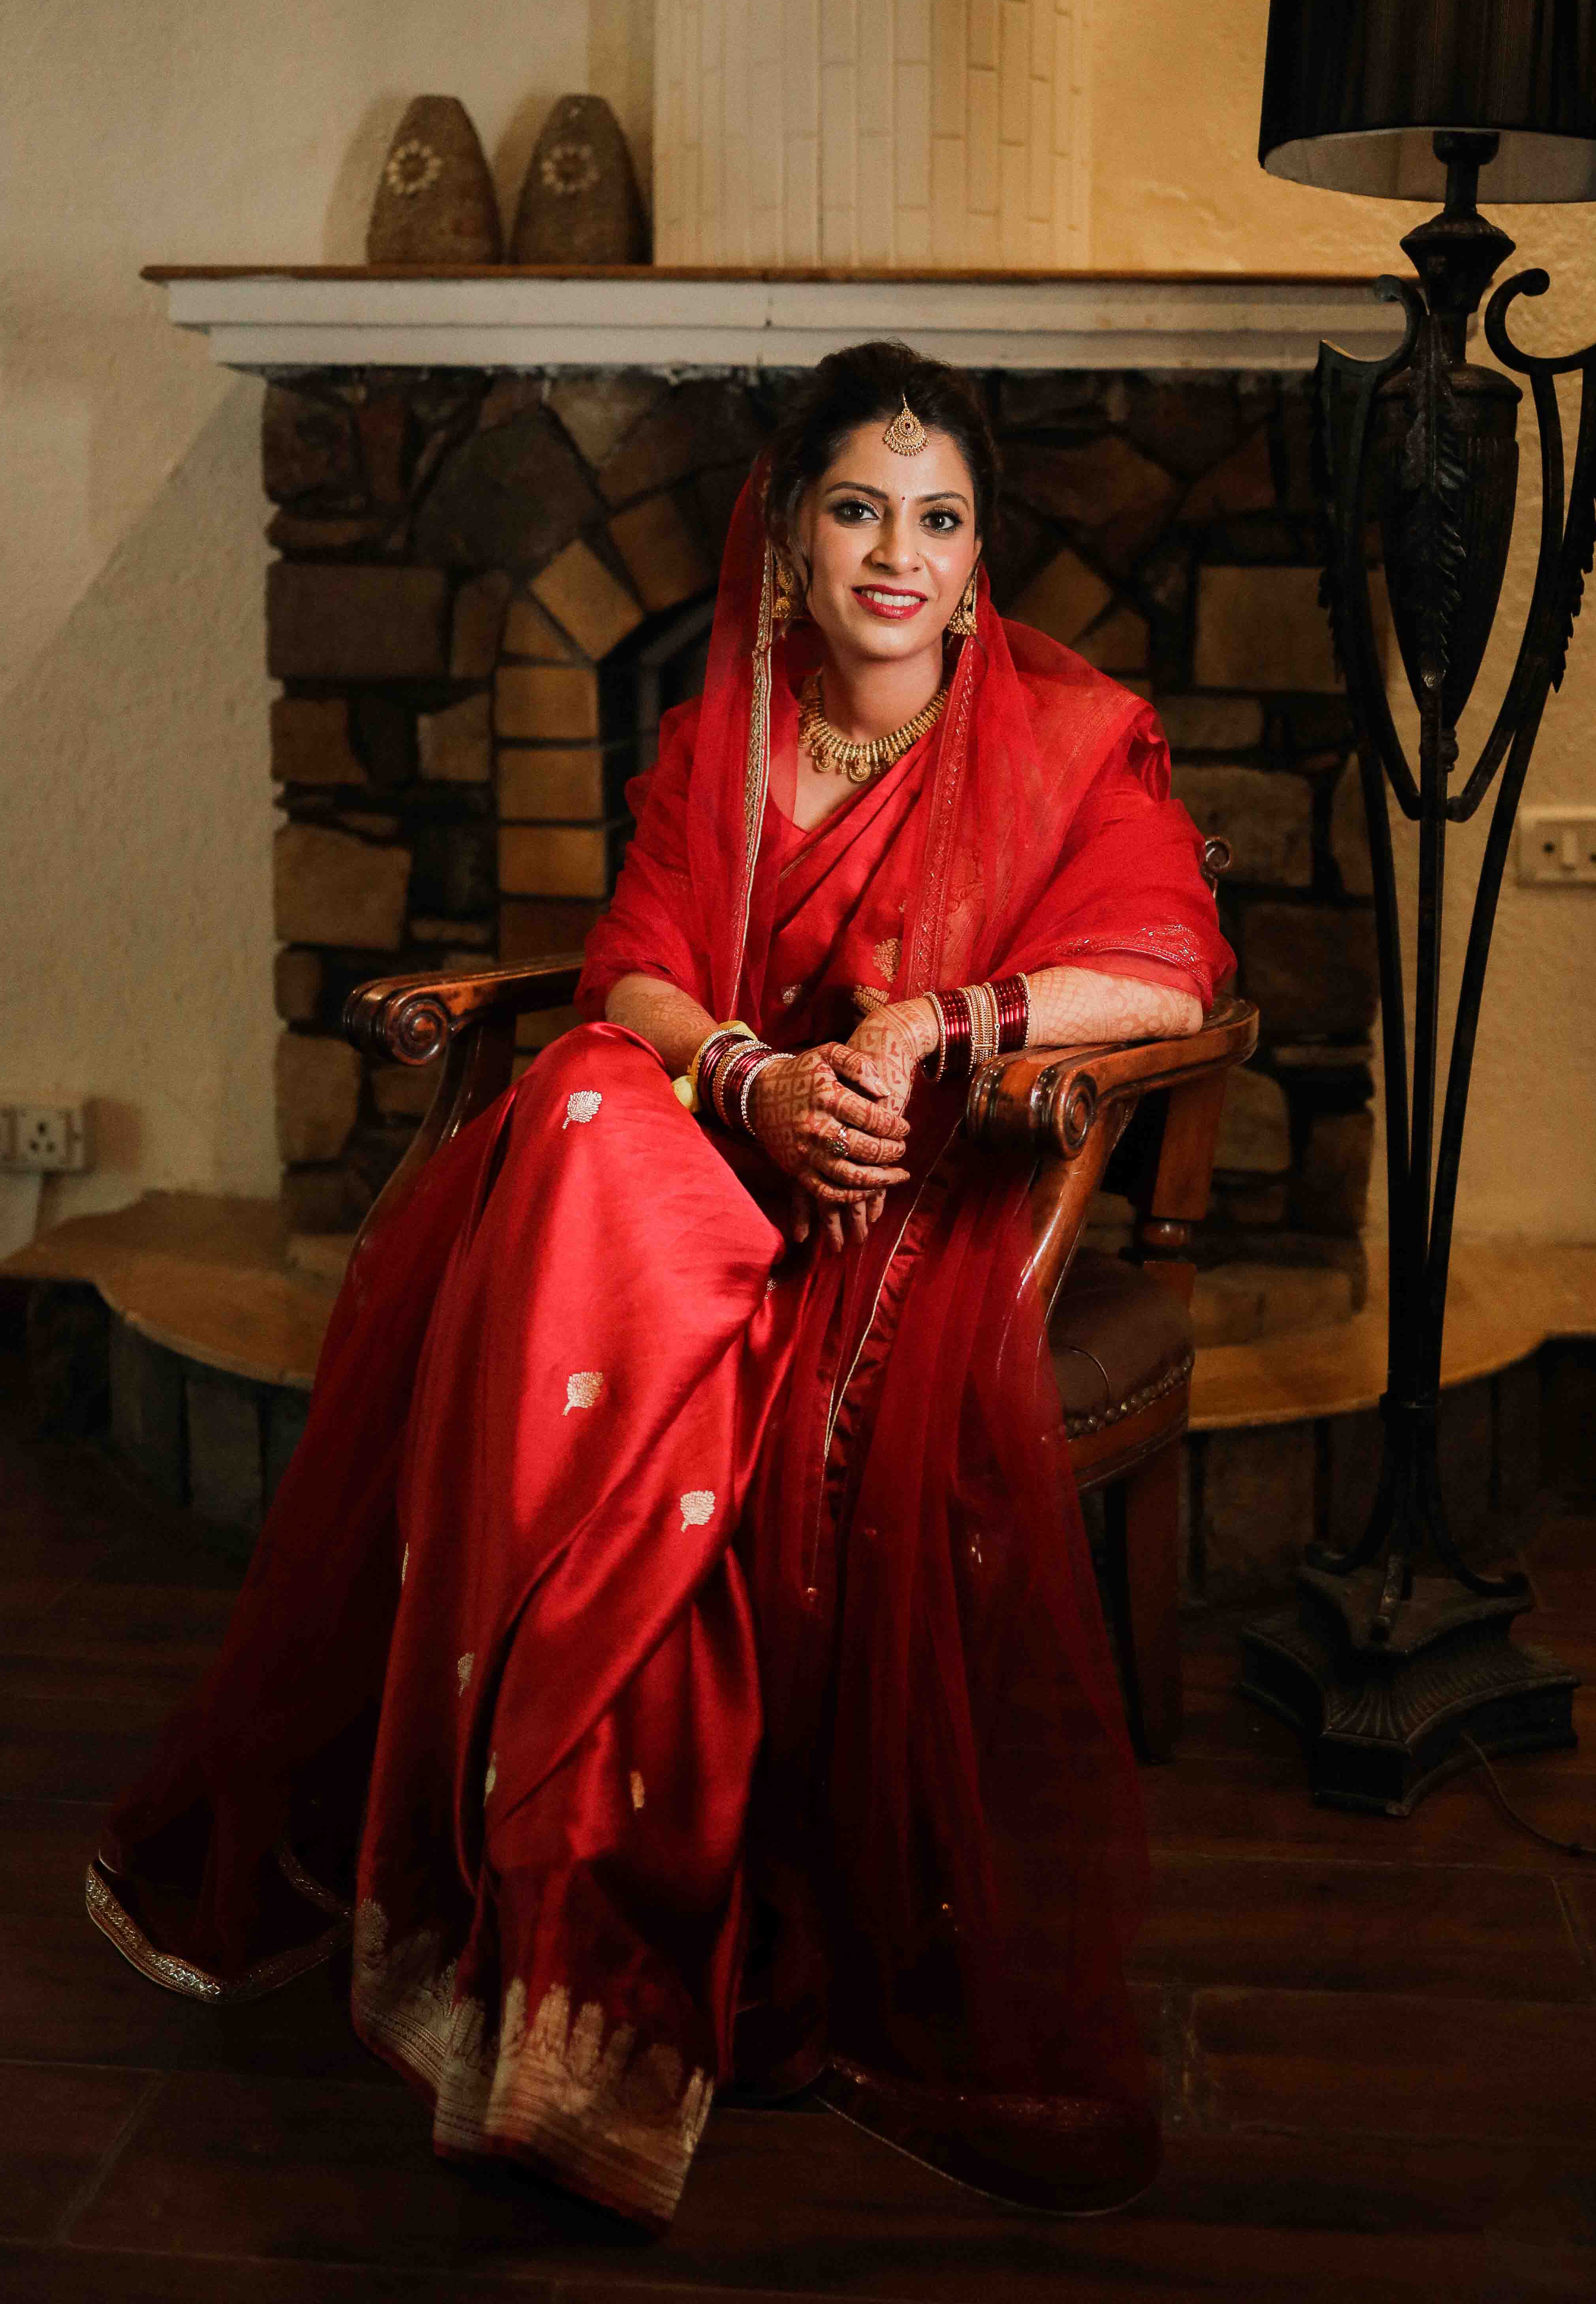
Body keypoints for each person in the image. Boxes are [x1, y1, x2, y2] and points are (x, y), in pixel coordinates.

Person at [88, 341, 1233, 2229]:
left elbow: (1168, 976)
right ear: (784, 542)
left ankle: (575, 1957)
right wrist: (749, 1080)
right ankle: (548, 1935)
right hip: (708, 1169)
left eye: (937, 521)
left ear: (975, 558)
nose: (898, 554)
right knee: (587, 1107)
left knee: (578, 1155)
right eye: (858, 510)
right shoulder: (720, 735)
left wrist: (940, 1026)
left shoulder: (1059, 733)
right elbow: (634, 967)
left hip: (900, 1192)